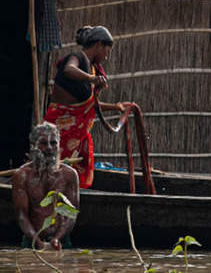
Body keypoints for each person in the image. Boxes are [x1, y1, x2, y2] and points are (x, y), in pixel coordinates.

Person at [45, 25, 131, 188]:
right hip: (59, 131)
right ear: (98, 44)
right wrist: (92, 78)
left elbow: (89, 106)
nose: (107, 55)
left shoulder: (91, 68)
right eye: (107, 50)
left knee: (72, 174)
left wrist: (116, 107)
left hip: (74, 136)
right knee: (51, 173)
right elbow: (69, 69)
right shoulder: (77, 57)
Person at [11, 122, 79, 250]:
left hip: (62, 240)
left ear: (59, 145)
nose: (49, 148)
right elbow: (21, 215)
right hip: (31, 240)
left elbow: (71, 214)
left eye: (53, 143)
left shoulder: (69, 174)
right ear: (33, 146)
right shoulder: (22, 176)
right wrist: (36, 241)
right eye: (43, 143)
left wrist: (57, 239)